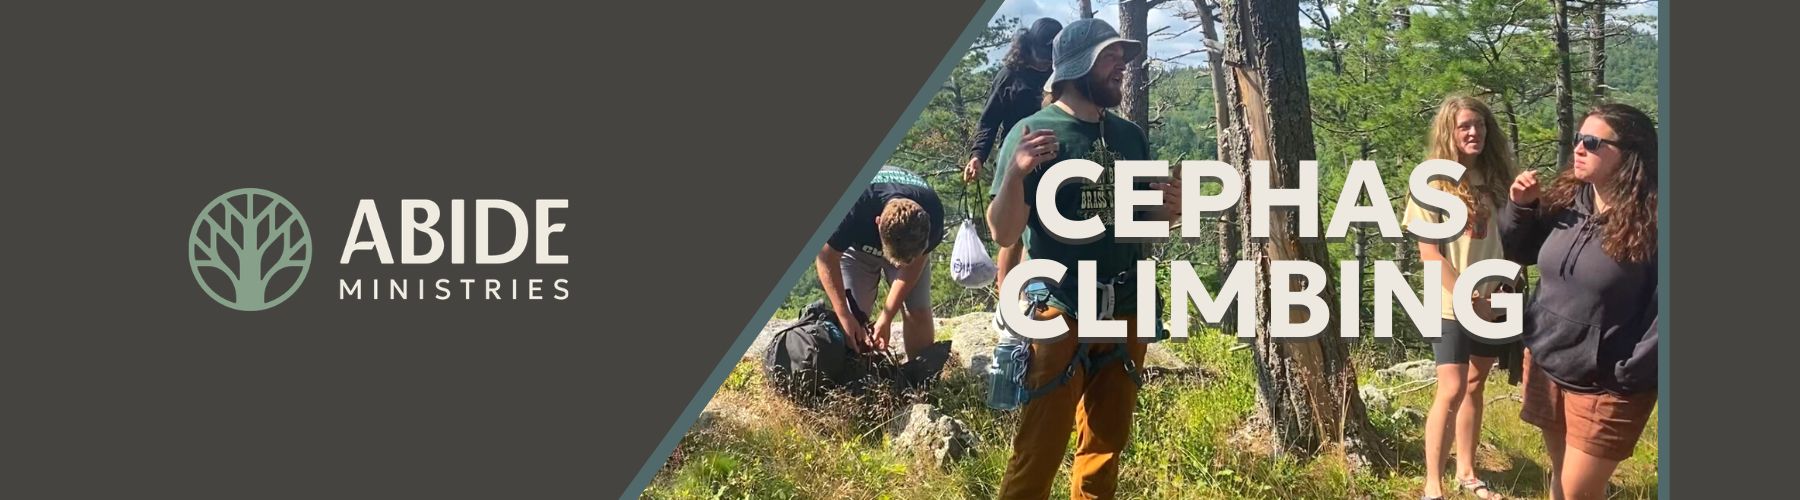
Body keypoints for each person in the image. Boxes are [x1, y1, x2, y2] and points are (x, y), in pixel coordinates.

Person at [986, 18, 1180, 499]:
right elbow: (1004, 232)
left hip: (1126, 305)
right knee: (1039, 449)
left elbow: (1140, 226)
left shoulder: (1130, 136)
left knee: (1104, 448)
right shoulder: (1032, 134)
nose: (1122, 67)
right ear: (1077, 65)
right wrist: (1015, 175)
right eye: (1110, 56)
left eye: (1122, 57)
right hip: (1061, 306)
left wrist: (1171, 210)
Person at [1500, 103, 1658, 500]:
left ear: (1630, 155)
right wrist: (1521, 207)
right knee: (1561, 477)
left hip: (1607, 383)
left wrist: (1630, 372)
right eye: (1578, 138)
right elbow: (1520, 250)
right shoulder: (1570, 198)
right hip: (1549, 361)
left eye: (1592, 142)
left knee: (1577, 491)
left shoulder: (1654, 220)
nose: (1579, 148)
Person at [1405, 95, 1519, 500]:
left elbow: (1513, 240)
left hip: (1496, 298)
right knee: (1451, 387)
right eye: (1465, 126)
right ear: (1449, 132)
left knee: (1475, 384)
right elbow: (1430, 254)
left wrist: (1503, 289)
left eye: (1480, 125)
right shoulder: (1432, 183)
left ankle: (1467, 473)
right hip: (1450, 302)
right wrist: (1471, 300)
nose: (1475, 132)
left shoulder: (1499, 178)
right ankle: (1433, 484)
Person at [970, 17, 1062, 297]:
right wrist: (977, 155)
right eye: (1041, 55)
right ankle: (1006, 298)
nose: (1045, 62)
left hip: (1052, 156)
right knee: (1012, 233)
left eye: (1050, 57)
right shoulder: (1010, 75)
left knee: (1039, 229)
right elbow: (989, 120)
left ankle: (1030, 296)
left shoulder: (1061, 75)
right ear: (1027, 46)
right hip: (1016, 157)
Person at [815, 166, 946, 359]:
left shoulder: (930, 215)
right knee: (853, 320)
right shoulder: (852, 207)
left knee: (918, 311)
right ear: (877, 222)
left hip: (910, 250)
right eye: (896, 260)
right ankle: (856, 368)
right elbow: (826, 259)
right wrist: (843, 314)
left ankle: (920, 372)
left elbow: (913, 266)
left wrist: (886, 317)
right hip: (858, 249)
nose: (898, 265)